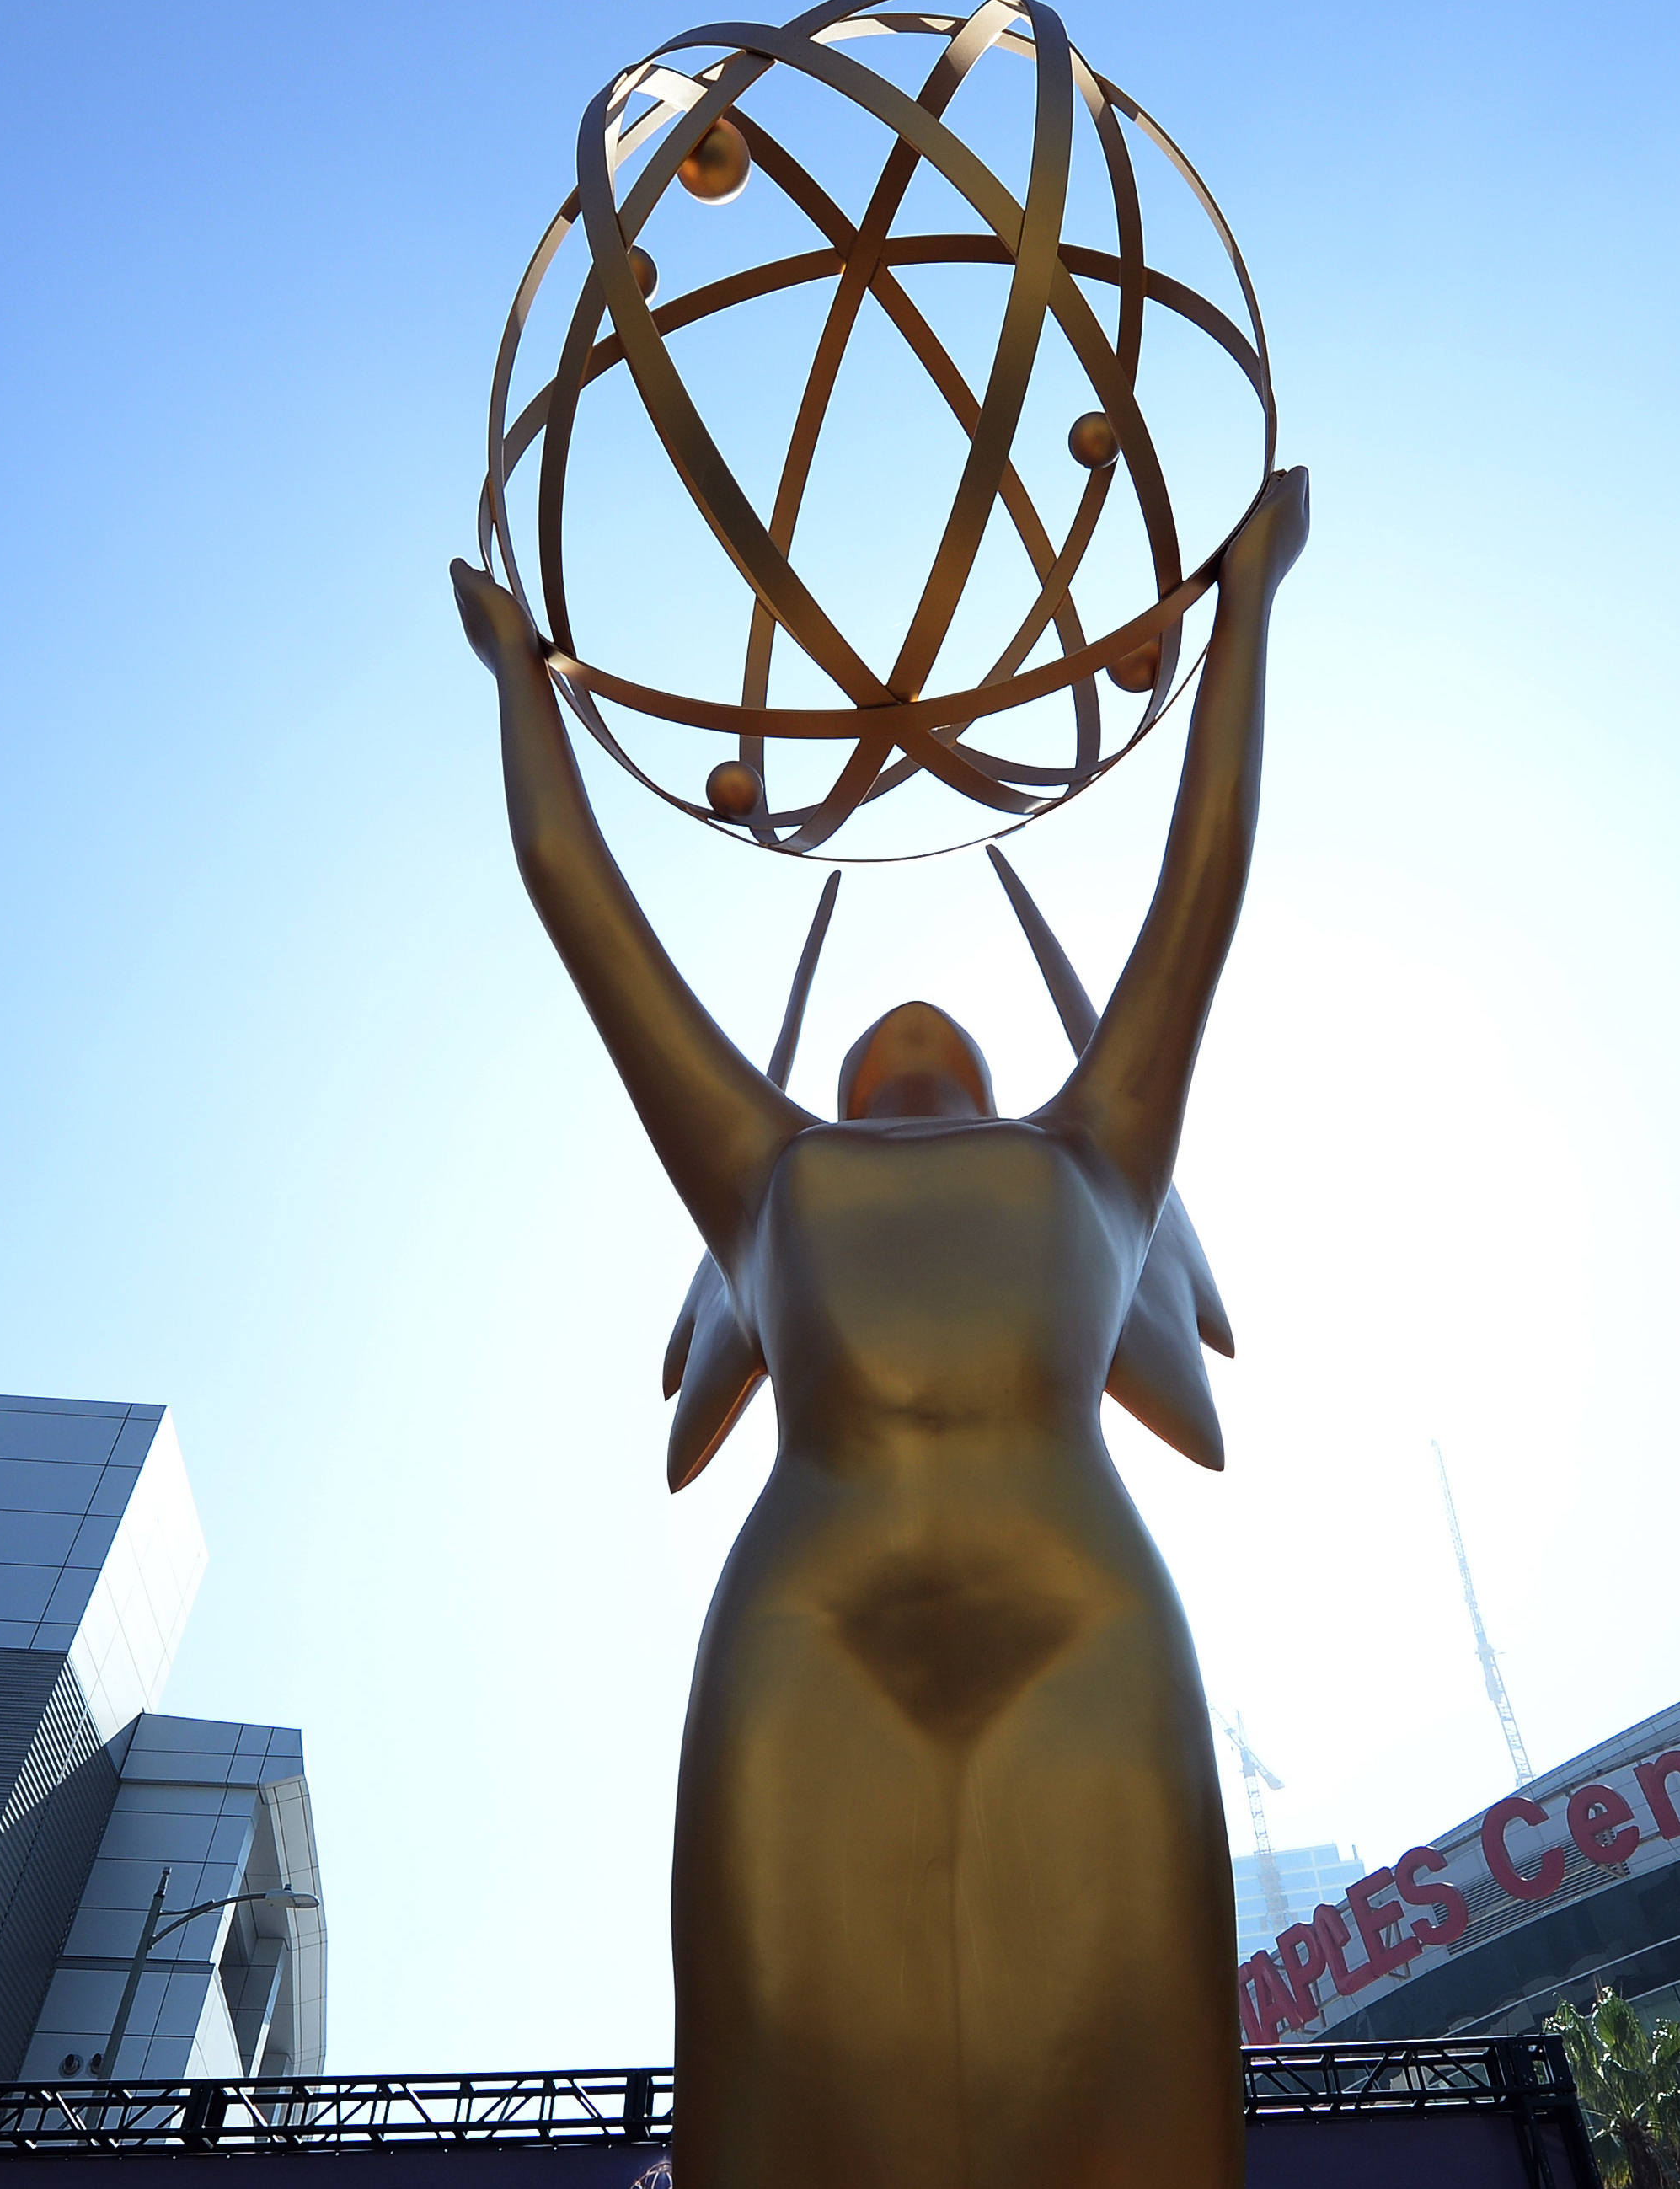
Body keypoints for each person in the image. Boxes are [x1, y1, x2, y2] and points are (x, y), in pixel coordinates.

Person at [449, 468, 1308, 2189]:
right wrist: (515, 683)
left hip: (1084, 1619)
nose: (908, 1032)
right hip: (807, 1632)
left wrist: (1251, 605)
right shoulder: (761, 1167)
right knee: (785, 2092)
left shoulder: (1101, 1148)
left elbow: (1200, 880)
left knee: (1132, 2094)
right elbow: (575, 896)